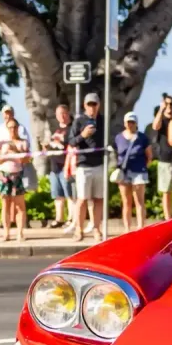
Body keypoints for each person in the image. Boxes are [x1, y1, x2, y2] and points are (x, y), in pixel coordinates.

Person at [68, 92, 106, 241]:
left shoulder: (103, 120)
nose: (92, 107)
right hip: (83, 165)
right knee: (82, 199)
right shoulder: (79, 121)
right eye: (89, 104)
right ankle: (79, 230)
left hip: (100, 164)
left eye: (94, 104)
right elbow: (71, 142)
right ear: (84, 105)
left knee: (99, 198)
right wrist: (83, 135)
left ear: (99, 105)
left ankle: (97, 229)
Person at [0, 104, 31, 241]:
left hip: (17, 174)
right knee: (5, 204)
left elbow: (26, 159)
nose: (12, 129)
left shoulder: (23, 142)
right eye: (10, 127)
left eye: (14, 127)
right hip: (4, 174)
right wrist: (6, 155)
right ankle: (6, 233)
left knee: (19, 205)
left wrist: (14, 151)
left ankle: (20, 233)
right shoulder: (4, 143)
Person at [113, 112, 152, 232]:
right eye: (128, 122)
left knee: (139, 201)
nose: (130, 124)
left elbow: (149, 155)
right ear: (125, 123)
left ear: (136, 123)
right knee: (126, 201)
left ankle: (141, 227)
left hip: (139, 171)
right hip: (124, 172)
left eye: (132, 122)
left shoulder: (142, 138)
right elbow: (115, 154)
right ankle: (127, 229)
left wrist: (143, 167)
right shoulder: (118, 138)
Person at [147, 94, 172, 220]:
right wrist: (161, 109)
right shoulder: (162, 120)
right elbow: (155, 126)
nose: (169, 107)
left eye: (171, 104)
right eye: (167, 104)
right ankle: (168, 218)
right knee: (166, 191)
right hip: (166, 159)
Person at [46, 103, 74, 229]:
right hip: (54, 167)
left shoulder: (72, 129)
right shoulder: (55, 130)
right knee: (57, 194)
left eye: (63, 113)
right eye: (59, 114)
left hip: (65, 166)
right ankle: (59, 219)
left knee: (69, 194)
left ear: (68, 114)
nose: (61, 116)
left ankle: (71, 218)